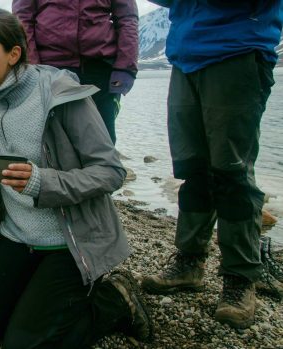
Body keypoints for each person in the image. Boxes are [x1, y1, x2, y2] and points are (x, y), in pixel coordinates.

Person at [0, 8, 152, 348]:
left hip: (69, 243)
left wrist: (42, 183)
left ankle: (115, 301)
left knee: (24, 345)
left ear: (14, 54)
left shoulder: (59, 94)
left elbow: (110, 171)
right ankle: (35, 298)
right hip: (17, 237)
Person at [141, 1, 283, 330]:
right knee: (193, 169)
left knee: (232, 172)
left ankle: (240, 279)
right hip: (186, 55)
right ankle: (189, 262)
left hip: (238, 48)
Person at [12, 0, 138, 145]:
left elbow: (127, 17)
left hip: (100, 69)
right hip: (50, 70)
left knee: (102, 141)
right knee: (51, 141)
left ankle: (104, 168)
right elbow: (22, 18)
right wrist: (33, 68)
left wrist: (125, 68)